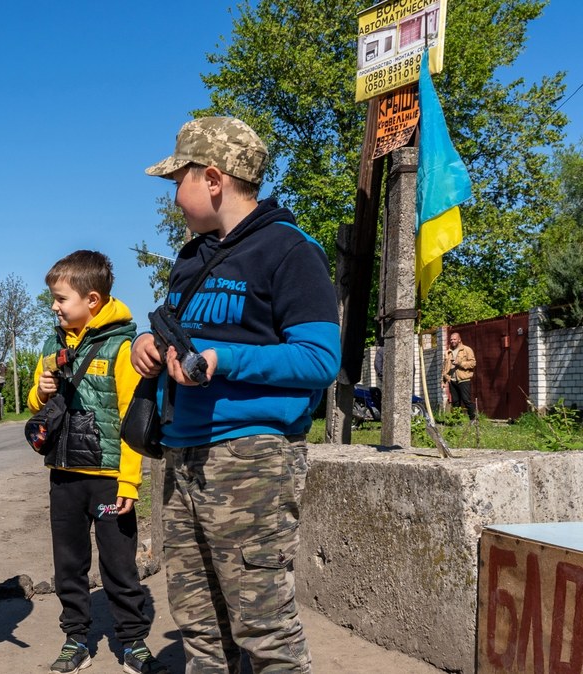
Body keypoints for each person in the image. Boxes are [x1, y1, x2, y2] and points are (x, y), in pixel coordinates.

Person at [132, 116, 340, 673]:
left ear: (214, 179)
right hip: (181, 457)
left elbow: (321, 360)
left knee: (263, 627)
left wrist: (224, 359)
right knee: (199, 627)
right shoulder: (190, 258)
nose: (175, 195)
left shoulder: (289, 250)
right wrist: (148, 346)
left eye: (179, 180)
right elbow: (182, 330)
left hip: (251, 459)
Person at [26, 250, 164, 674]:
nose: (53, 305)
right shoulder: (51, 344)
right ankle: (75, 639)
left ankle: (133, 642)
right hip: (64, 475)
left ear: (92, 301)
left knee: (119, 565)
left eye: (61, 298)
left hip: (107, 479)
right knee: (69, 564)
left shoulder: (123, 347)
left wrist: (129, 482)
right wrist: (43, 390)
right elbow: (35, 403)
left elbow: (132, 422)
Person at [443, 330, 477, 422]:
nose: (452, 341)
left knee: (466, 400)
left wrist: (460, 363)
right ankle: (457, 421)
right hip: (452, 380)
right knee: (455, 402)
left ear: (459, 340)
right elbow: (445, 367)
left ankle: (473, 419)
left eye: (454, 339)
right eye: (451, 339)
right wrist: (444, 380)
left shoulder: (466, 349)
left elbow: (473, 363)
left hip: (464, 379)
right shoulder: (448, 352)